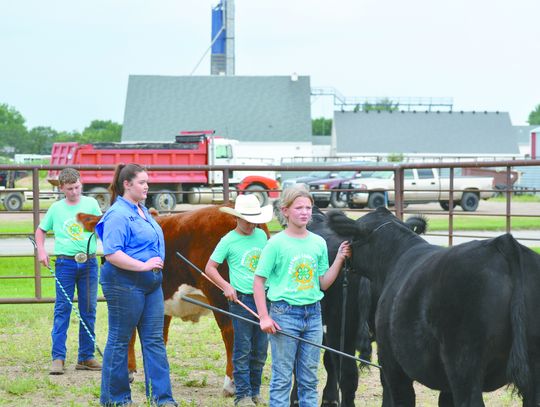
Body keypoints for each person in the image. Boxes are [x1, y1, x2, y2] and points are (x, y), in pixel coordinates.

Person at [253, 185, 351, 406]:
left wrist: (339, 260)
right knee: (282, 378)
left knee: (309, 378)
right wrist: (264, 317)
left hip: (314, 315)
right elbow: (259, 281)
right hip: (284, 315)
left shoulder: (318, 243)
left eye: (308, 207)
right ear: (285, 211)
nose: (305, 212)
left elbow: (323, 283)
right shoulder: (276, 243)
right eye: (299, 208)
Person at [95, 163, 177, 407]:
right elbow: (112, 253)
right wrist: (142, 266)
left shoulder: (142, 211)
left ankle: (162, 399)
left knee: (153, 341)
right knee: (120, 339)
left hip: (151, 284)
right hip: (124, 283)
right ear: (127, 184)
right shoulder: (117, 214)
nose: (147, 186)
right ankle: (116, 399)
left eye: (147, 182)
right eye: (142, 182)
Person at [205, 194, 273, 407]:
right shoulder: (228, 240)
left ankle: (254, 391)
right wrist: (226, 286)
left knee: (260, 349)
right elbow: (210, 268)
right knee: (242, 348)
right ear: (236, 218)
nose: (251, 224)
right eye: (246, 219)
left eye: (254, 219)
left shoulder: (262, 236)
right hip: (241, 300)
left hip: (264, 299)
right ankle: (242, 395)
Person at [35, 167, 102, 375]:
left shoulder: (91, 204)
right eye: (70, 189)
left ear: (81, 183)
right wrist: (42, 250)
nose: (74, 192)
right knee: (62, 309)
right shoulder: (56, 208)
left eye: (77, 187)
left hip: (89, 263)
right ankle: (58, 357)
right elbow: (41, 230)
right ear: (62, 188)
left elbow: (101, 228)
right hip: (65, 264)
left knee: (89, 309)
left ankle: (86, 356)